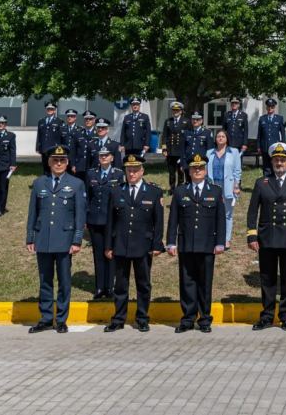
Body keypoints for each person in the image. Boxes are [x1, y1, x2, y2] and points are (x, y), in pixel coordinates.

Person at [247, 143, 286, 331]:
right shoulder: (262, 182)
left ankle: (285, 316)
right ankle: (266, 316)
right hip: (267, 237)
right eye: (276, 159)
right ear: (272, 161)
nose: (279, 162)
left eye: (283, 159)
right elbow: (252, 212)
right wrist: (252, 236)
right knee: (267, 279)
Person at [26, 145, 86, 334]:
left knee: (64, 281)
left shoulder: (76, 184)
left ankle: (61, 319)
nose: (58, 163)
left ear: (67, 163)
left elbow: (80, 215)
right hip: (43, 238)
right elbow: (32, 213)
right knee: (45, 280)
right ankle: (45, 318)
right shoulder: (38, 183)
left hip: (64, 239)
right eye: (55, 160)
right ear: (49, 162)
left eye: (62, 160)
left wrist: (77, 240)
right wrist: (30, 237)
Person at [103, 155, 164, 333]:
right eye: (129, 170)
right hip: (121, 245)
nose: (132, 173)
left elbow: (158, 221)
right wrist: (108, 245)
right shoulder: (116, 191)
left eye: (135, 170)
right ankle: (118, 319)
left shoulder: (153, 192)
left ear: (142, 171)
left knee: (143, 284)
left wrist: (157, 245)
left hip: (143, 246)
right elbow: (110, 222)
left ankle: (142, 318)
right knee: (120, 285)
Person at [166, 155, 226, 332]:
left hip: (207, 245)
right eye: (194, 168)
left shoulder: (215, 191)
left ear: (206, 171)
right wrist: (171, 243)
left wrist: (220, 242)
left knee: (205, 284)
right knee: (187, 283)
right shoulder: (180, 192)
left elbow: (220, 220)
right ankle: (187, 319)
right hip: (186, 244)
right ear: (188, 171)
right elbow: (173, 220)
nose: (197, 171)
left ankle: (205, 320)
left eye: (200, 168)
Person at [86, 147, 125, 299]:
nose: (103, 157)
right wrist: (86, 217)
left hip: (111, 221)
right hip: (95, 220)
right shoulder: (91, 174)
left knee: (110, 254)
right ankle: (99, 287)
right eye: (101, 155)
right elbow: (88, 198)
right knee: (98, 254)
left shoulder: (118, 174)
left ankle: (109, 287)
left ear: (112, 158)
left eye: (106, 155)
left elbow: (121, 197)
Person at [205, 129, 243, 249]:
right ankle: (213, 237)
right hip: (213, 185)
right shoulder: (209, 153)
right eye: (218, 136)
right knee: (211, 212)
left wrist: (236, 186)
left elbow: (237, 170)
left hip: (228, 185)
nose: (220, 138)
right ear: (215, 139)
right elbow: (205, 171)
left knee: (227, 213)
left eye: (223, 136)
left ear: (227, 139)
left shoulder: (234, 152)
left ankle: (226, 239)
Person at [256, 98, 286, 178]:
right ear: (266, 107)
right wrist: (258, 146)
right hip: (265, 146)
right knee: (266, 166)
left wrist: (283, 145)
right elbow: (259, 133)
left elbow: (283, 133)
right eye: (269, 107)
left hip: (275, 147)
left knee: (275, 164)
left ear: (275, 108)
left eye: (272, 107)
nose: (270, 108)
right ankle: (266, 182)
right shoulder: (262, 118)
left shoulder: (279, 118)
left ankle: (274, 181)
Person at [160, 101, 188, 188]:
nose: (175, 112)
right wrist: (164, 149)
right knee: (171, 172)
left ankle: (180, 187)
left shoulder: (186, 121)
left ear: (181, 111)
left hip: (181, 150)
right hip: (170, 150)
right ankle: (172, 188)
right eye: (174, 110)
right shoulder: (168, 121)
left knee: (181, 171)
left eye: (177, 110)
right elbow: (164, 136)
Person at [35, 102, 64, 171]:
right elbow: (39, 135)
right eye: (48, 109)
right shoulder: (41, 121)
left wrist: (61, 147)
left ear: (55, 111)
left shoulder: (59, 121)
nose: (50, 110)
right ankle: (46, 179)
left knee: (54, 165)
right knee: (45, 165)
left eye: (51, 109)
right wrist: (37, 147)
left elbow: (61, 136)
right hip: (44, 147)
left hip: (55, 147)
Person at [72, 111, 98, 181]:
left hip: (93, 164)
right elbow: (73, 150)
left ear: (94, 120)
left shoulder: (97, 134)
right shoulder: (78, 133)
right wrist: (73, 165)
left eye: (90, 119)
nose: (88, 121)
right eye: (86, 119)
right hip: (80, 164)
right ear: (84, 120)